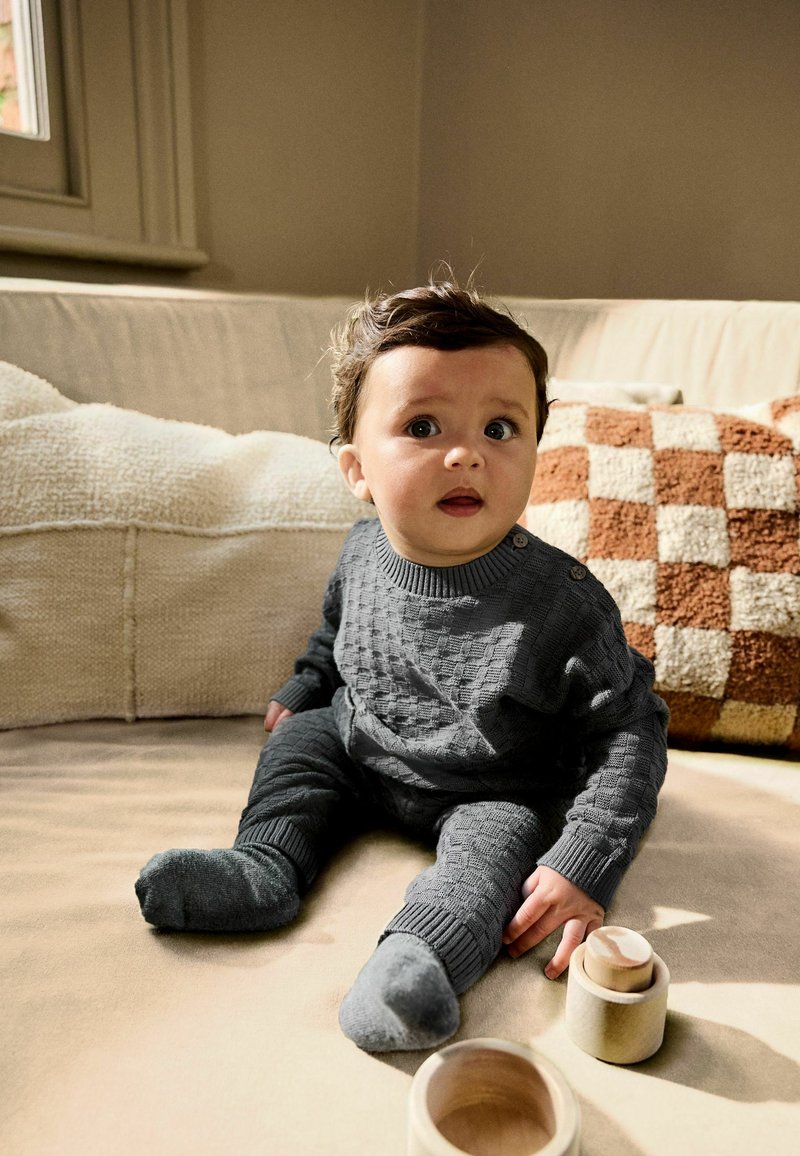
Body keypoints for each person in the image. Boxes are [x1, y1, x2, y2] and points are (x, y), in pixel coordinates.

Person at [136, 278, 669, 1053]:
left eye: (500, 428)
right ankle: (267, 866)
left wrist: (587, 860)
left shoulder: (564, 605)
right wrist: (308, 685)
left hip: (493, 785)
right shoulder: (361, 553)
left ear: (533, 453)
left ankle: (414, 964)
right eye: (423, 425)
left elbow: (633, 729)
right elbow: (336, 633)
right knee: (302, 743)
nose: (466, 454)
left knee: (496, 857)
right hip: (363, 747)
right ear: (356, 469)